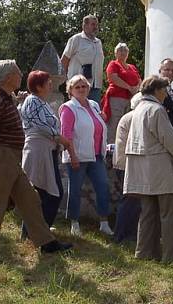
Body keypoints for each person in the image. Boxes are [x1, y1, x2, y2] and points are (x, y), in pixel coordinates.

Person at [0, 59, 72, 261]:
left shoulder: (7, 99)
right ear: (9, 77)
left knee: (31, 199)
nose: (21, 76)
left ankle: (46, 243)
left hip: (11, 158)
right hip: (1, 157)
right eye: (18, 73)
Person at [124, 75, 173, 263]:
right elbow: (170, 140)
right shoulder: (156, 110)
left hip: (143, 169)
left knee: (148, 214)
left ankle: (144, 252)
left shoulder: (138, 109)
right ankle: (171, 255)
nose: (166, 94)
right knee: (169, 214)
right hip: (160, 168)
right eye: (165, 90)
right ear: (158, 91)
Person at [20, 71, 77, 237]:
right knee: (48, 193)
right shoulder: (32, 100)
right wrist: (61, 139)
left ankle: (36, 230)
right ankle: (36, 231)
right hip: (38, 151)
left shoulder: (41, 102)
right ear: (38, 86)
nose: (51, 84)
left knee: (46, 193)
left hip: (46, 150)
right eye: (48, 82)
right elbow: (40, 126)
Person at [60, 74, 113, 237]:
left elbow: (99, 126)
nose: (81, 89)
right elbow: (65, 134)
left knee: (103, 186)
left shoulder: (94, 105)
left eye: (84, 86)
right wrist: (73, 156)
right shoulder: (68, 108)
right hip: (78, 155)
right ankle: (74, 223)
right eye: (77, 87)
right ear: (70, 90)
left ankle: (104, 223)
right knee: (75, 190)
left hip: (96, 155)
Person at [112, 93, 142, 243]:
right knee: (130, 201)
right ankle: (122, 235)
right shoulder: (135, 117)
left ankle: (125, 234)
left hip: (123, 163)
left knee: (131, 201)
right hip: (128, 164)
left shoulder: (129, 116)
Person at [101, 43, 141, 144]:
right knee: (115, 124)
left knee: (128, 124)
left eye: (125, 51)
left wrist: (136, 88)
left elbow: (139, 79)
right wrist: (129, 87)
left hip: (131, 99)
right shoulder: (113, 64)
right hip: (116, 97)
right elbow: (113, 78)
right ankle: (110, 149)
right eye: (120, 50)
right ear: (116, 53)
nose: (123, 53)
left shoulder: (132, 67)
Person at [62, 15, 105, 103]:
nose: (96, 27)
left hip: (95, 86)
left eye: (96, 25)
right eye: (93, 24)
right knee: (77, 112)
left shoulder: (98, 42)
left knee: (93, 113)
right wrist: (66, 80)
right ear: (85, 26)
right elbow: (64, 60)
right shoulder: (76, 39)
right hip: (78, 86)